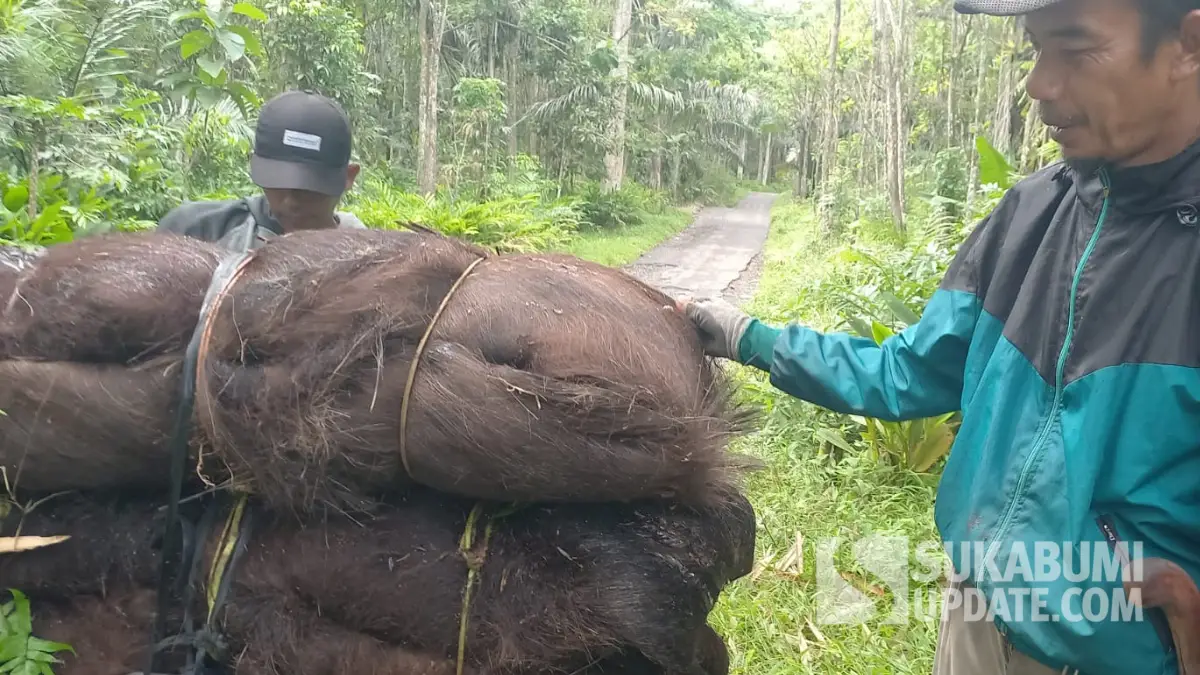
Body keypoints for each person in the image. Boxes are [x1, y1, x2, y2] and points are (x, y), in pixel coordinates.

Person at [679, 0, 1200, 673]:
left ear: (1187, 44)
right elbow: (908, 371)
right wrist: (748, 336)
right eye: (1034, 47)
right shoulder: (1029, 214)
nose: (1040, 83)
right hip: (978, 616)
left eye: (1074, 48)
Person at [158, 89, 365, 250]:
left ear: (348, 177)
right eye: (279, 183)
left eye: (309, 187)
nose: (291, 201)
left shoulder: (366, 255)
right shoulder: (196, 229)